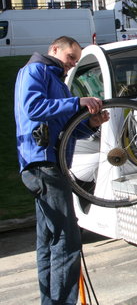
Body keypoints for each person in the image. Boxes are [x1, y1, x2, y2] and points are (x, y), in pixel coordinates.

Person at [14, 36, 109, 305]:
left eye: (76, 62)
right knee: (67, 241)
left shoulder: (58, 82)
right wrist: (78, 102)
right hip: (44, 165)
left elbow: (70, 128)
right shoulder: (35, 71)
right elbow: (32, 108)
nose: (72, 65)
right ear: (54, 49)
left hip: (48, 165)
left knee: (49, 241)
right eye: (70, 57)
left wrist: (91, 123)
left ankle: (51, 301)